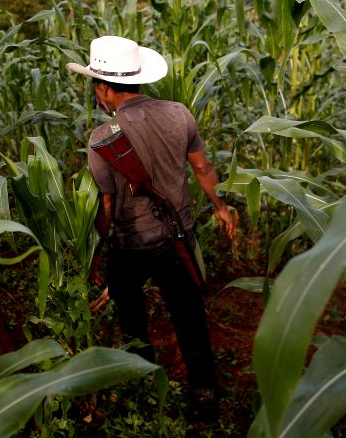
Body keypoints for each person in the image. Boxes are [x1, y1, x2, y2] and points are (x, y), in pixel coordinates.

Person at [66, 35, 237, 420]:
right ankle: (206, 397)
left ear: (104, 87)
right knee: (190, 319)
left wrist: (98, 246)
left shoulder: (102, 139)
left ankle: (142, 392)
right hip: (178, 238)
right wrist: (222, 208)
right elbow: (203, 169)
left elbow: (106, 206)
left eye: (96, 83)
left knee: (133, 322)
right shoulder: (180, 114)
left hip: (131, 246)